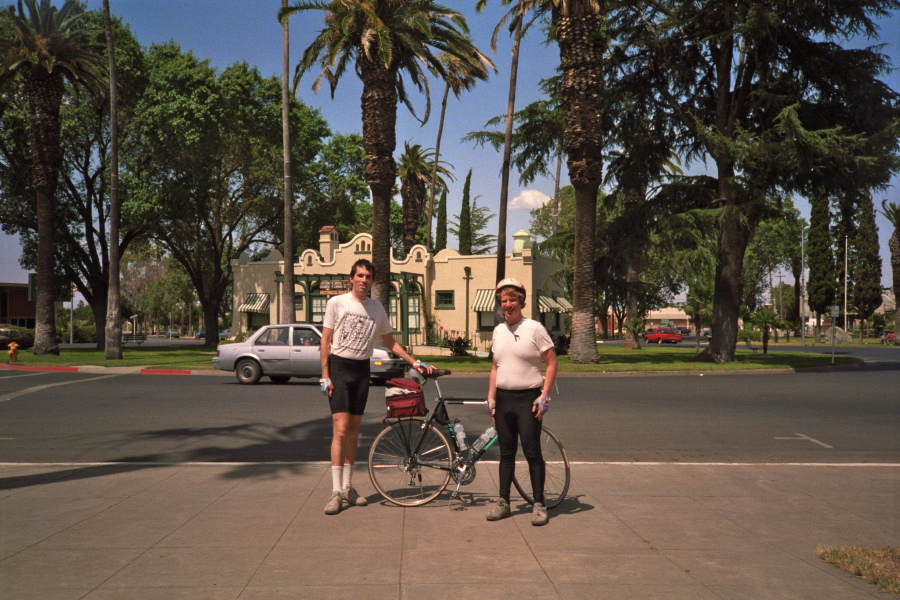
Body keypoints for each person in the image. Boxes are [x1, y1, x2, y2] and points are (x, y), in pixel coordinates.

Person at [319, 258, 432, 515]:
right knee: (341, 428)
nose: (363, 280)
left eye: (367, 277)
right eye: (359, 275)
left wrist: (415, 361)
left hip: (361, 371)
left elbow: (390, 342)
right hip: (339, 368)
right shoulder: (336, 303)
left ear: (371, 281)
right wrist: (324, 374)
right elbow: (325, 340)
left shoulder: (376, 307)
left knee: (354, 430)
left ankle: (348, 487)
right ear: (351, 278)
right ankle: (336, 492)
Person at [486, 278, 558, 526]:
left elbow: (551, 362)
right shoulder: (498, 331)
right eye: (504, 301)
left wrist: (544, 395)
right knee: (506, 454)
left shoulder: (535, 328)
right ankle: (503, 502)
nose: (508, 304)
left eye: (512, 299)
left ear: (521, 301)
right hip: (504, 399)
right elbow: (496, 367)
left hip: (529, 399)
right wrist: (491, 398)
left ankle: (539, 504)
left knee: (532, 452)